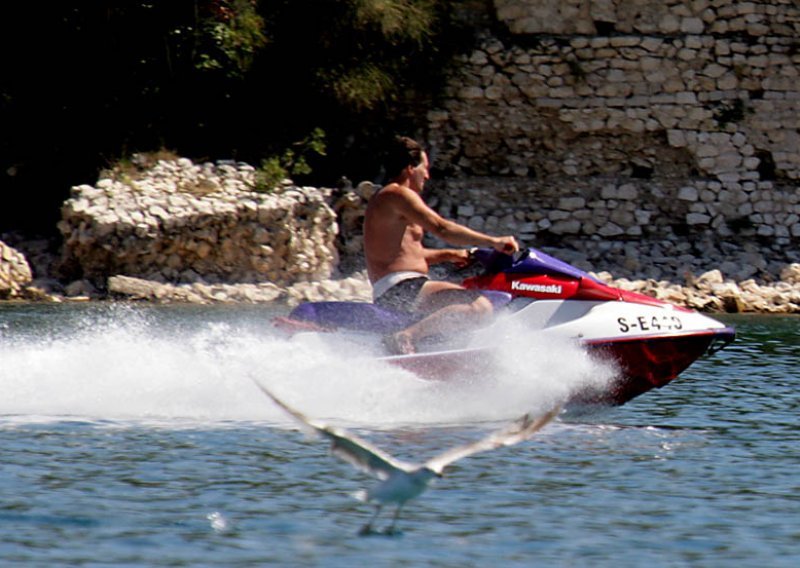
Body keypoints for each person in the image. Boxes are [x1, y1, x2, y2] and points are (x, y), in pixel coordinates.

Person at [363, 136, 519, 355]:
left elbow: (403, 253)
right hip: (401, 288)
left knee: (464, 302)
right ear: (410, 168)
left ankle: (437, 349)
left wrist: (448, 254)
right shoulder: (397, 194)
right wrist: (494, 242)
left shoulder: (386, 199)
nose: (427, 175)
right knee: (479, 308)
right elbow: (441, 228)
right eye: (424, 168)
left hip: (399, 286)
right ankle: (406, 336)